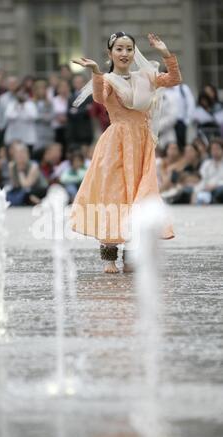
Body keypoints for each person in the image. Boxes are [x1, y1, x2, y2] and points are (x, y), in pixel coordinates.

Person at [70, 31, 182, 273]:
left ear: (134, 52)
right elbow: (100, 98)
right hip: (117, 143)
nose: (124, 53)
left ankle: (132, 253)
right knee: (114, 195)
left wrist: (165, 53)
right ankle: (109, 256)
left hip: (141, 143)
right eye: (119, 49)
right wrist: (97, 72)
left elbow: (174, 79)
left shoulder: (146, 76)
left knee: (140, 197)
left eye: (129, 49)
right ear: (110, 52)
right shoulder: (108, 80)